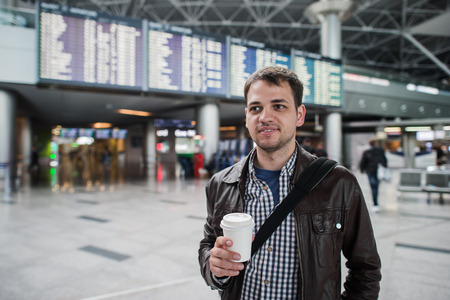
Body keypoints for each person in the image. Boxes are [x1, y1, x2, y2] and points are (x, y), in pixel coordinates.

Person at [199, 66, 381, 299]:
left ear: (299, 115)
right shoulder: (221, 184)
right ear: (247, 118)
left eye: (279, 106)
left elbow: (366, 269)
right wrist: (214, 267)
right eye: (256, 108)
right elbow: (209, 245)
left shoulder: (338, 183)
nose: (265, 117)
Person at [359, 138, 387, 212]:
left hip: (370, 171)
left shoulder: (367, 152)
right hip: (378, 171)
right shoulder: (380, 151)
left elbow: (363, 162)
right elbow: (384, 160)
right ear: (376, 143)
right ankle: (375, 202)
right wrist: (384, 168)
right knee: (376, 187)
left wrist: (362, 169)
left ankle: (375, 202)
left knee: (373, 186)